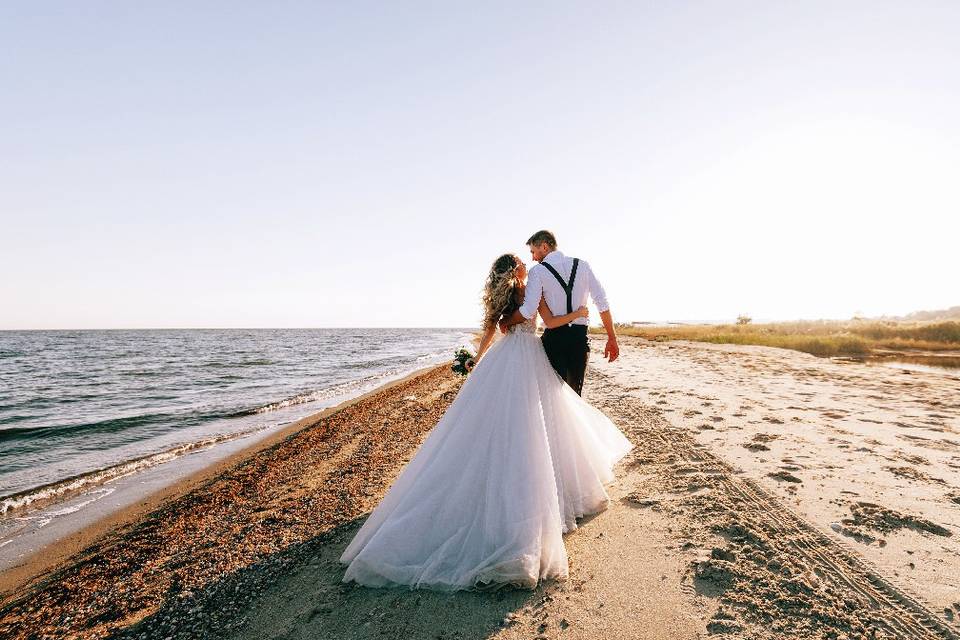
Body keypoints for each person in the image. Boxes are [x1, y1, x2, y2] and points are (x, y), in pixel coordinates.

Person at [339, 253, 633, 591]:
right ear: (518, 270)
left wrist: (474, 363)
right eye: (523, 263)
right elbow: (549, 324)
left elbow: (490, 334)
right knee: (537, 425)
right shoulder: (530, 291)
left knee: (498, 426)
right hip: (530, 358)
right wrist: (578, 314)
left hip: (504, 359)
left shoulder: (500, 298)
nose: (527, 265)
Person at [499, 230, 618, 396]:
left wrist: (506, 321)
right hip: (579, 339)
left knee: (554, 398)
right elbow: (602, 302)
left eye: (533, 251)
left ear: (545, 247)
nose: (533, 257)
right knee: (575, 397)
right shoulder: (583, 265)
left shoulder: (537, 271)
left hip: (554, 340)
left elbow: (528, 310)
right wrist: (612, 337)